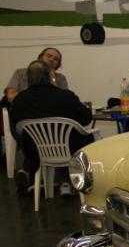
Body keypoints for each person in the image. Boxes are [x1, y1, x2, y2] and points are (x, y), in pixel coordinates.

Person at [10, 61, 94, 196]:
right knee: (88, 136)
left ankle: (30, 174)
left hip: (36, 151)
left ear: (28, 78)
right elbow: (86, 118)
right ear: (50, 76)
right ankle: (75, 182)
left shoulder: (20, 100)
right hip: (70, 149)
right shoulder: (65, 96)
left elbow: (16, 126)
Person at [4, 47, 69, 103]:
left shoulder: (61, 78)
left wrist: (53, 77)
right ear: (41, 57)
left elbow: (62, 100)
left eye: (56, 59)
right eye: (49, 56)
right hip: (23, 109)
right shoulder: (20, 73)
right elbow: (11, 96)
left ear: (58, 64)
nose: (51, 60)